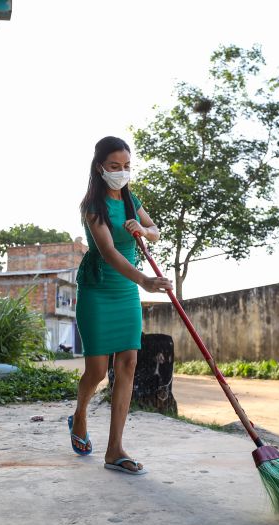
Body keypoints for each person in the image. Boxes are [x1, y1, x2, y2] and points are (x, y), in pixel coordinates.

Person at [69, 136, 172, 475]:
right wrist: (144, 280)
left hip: (126, 291)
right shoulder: (92, 206)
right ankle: (80, 413)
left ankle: (115, 449)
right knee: (97, 372)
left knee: (128, 363)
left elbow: (155, 231)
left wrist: (142, 228)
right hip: (100, 289)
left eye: (126, 166)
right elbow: (109, 252)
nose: (122, 172)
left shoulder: (131, 200)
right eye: (115, 167)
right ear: (100, 167)